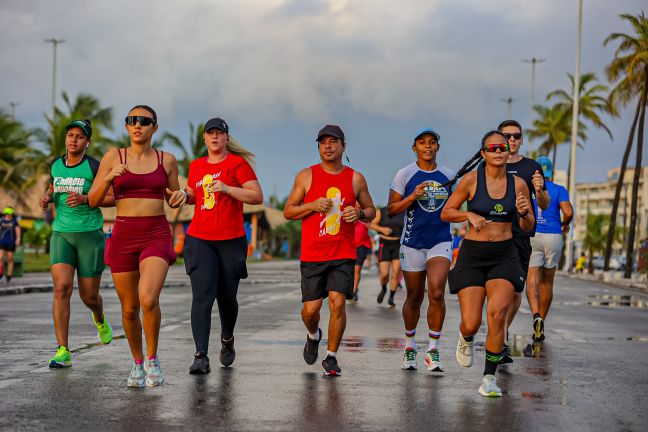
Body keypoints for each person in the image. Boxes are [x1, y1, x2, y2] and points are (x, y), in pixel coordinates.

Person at [89, 105, 186, 387]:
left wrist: (179, 196)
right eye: (132, 120)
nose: (137, 125)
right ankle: (138, 363)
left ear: (154, 127)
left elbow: (172, 196)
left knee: (148, 298)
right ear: (127, 126)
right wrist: (108, 176)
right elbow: (94, 200)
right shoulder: (113, 157)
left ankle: (153, 358)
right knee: (130, 308)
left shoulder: (166, 160)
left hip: (155, 232)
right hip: (123, 235)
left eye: (144, 121)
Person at [441, 130, 534, 397]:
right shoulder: (471, 180)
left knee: (497, 315)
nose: (498, 151)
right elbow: (447, 212)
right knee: (471, 322)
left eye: (502, 147)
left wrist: (525, 213)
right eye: (492, 148)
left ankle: (489, 378)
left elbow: (528, 226)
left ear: (508, 152)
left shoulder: (518, 185)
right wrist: (467, 214)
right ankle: (466, 337)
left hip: (505, 255)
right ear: (483, 153)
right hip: (472, 255)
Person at [284, 124, 375, 376]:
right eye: (323, 142)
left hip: (343, 252)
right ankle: (313, 335)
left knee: (337, 304)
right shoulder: (306, 176)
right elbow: (289, 211)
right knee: (311, 311)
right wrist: (312, 205)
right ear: (318, 147)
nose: (328, 146)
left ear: (343, 146)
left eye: (333, 141)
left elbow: (371, 211)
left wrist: (358, 213)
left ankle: (332, 357)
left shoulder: (355, 178)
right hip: (313, 255)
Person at [181, 117, 263, 374]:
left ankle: (227, 338)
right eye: (210, 133)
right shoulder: (195, 166)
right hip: (199, 239)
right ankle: (200, 355)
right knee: (202, 296)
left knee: (227, 298)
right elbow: (195, 195)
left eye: (220, 133)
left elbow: (256, 196)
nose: (215, 137)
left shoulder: (237, 164)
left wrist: (228, 188)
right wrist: (184, 195)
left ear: (227, 138)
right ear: (204, 138)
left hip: (230, 240)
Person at [38, 119, 114, 368]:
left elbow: (112, 197)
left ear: (87, 142)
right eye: (70, 135)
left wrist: (85, 198)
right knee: (61, 288)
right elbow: (53, 187)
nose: (73, 140)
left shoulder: (94, 167)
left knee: (89, 295)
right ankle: (63, 350)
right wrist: (47, 197)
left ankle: (99, 317)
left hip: (89, 234)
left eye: (79, 137)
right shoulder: (56, 165)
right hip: (61, 233)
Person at [387, 128, 454, 373]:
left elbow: (454, 208)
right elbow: (392, 210)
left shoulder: (447, 175)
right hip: (412, 242)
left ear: (437, 147)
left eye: (432, 142)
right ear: (414, 148)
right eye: (422, 143)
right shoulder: (405, 174)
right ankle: (409, 345)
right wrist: (413, 197)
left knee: (436, 292)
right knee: (414, 297)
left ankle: (433, 350)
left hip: (441, 240)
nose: (428, 146)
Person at [498, 120, 549, 363]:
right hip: (493, 232)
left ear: (521, 139)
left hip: (520, 235)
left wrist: (539, 190)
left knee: (516, 291)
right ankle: (499, 337)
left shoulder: (532, 167)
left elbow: (545, 204)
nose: (511, 140)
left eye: (516, 136)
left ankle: (502, 336)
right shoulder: (490, 162)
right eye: (506, 135)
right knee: (497, 287)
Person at [527, 156, 573, 342]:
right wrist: (564, 224)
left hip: (533, 235)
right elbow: (568, 212)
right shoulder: (559, 189)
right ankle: (542, 321)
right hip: (553, 236)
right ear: (551, 172)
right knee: (547, 282)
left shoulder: (528, 187)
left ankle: (535, 314)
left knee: (532, 279)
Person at [369, 206, 404, 308]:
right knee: (384, 274)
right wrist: (382, 229)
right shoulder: (382, 211)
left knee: (396, 272)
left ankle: (391, 298)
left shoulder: (404, 211)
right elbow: (372, 224)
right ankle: (384, 288)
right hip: (384, 244)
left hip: (398, 244)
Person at [350, 215, 372, 304]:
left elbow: (372, 226)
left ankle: (354, 291)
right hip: (349, 247)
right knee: (349, 270)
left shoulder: (363, 219)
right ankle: (351, 288)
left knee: (357, 269)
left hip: (362, 247)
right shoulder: (346, 218)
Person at [0, 207, 21, 282]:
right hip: (2, 241)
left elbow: (18, 230)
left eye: (10, 214)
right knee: (0, 257)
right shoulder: (1, 220)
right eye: (7, 214)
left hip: (11, 242)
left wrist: (18, 239)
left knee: (10, 259)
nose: (8, 215)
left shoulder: (14, 222)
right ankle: (1, 272)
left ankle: (9, 275)